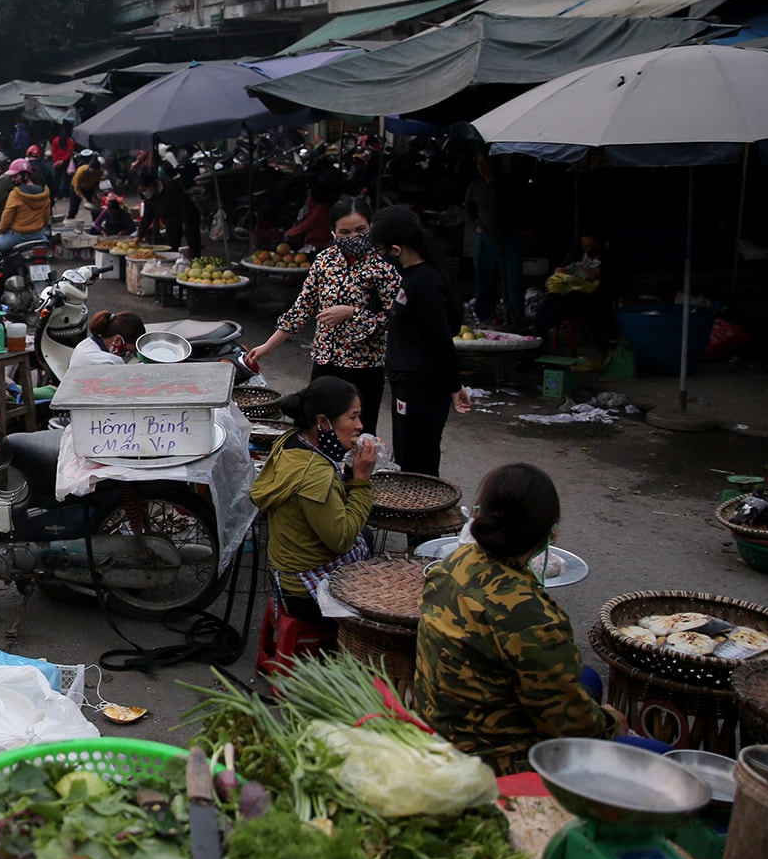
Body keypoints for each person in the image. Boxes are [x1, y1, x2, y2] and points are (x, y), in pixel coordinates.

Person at [416, 463, 619, 776]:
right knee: (653, 752)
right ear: (550, 532)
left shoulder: (454, 563)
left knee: (588, 678)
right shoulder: (530, 617)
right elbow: (573, 731)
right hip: (494, 763)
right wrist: (613, 723)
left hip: (438, 725)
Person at [242, 200, 399, 419]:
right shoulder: (325, 261)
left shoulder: (385, 266)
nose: (353, 236)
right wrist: (269, 345)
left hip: (365, 365)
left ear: (370, 227)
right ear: (334, 232)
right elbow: (303, 307)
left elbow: (395, 318)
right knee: (318, 426)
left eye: (360, 230)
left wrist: (352, 313)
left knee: (358, 430)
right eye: (345, 232)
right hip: (326, 360)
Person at [248, 377, 379, 622]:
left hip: (283, 570)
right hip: (305, 592)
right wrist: (361, 480)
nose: (360, 425)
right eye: (352, 417)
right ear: (323, 422)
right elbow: (340, 540)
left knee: (366, 536)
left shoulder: (291, 441)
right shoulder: (314, 476)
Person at [370, 204, 468, 476]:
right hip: (407, 380)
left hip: (421, 384)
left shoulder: (425, 282)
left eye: (382, 250)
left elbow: (440, 339)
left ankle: (421, 512)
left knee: (417, 459)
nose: (380, 257)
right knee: (405, 455)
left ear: (397, 250)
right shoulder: (408, 276)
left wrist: (454, 384)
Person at [464, 155, 525, 324]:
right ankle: (486, 316)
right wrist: (475, 225)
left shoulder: (508, 186)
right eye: (478, 163)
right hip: (485, 238)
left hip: (508, 238)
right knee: (484, 279)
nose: (480, 167)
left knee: (512, 279)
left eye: (485, 163)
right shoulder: (475, 187)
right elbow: (468, 208)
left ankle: (516, 316)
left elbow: (522, 207)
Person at [530, 232, 615, 343]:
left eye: (593, 247)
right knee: (551, 297)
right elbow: (565, 267)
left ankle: (538, 328)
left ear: (602, 244)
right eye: (586, 246)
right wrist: (561, 271)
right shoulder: (577, 252)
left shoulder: (612, 256)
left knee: (573, 296)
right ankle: (537, 336)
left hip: (595, 299)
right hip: (569, 291)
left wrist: (598, 275)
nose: (589, 249)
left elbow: (616, 281)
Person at [136, 172, 202, 253]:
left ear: (151, 185)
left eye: (145, 190)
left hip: (188, 217)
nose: (144, 193)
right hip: (171, 221)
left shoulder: (171, 187)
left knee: (193, 246)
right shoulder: (149, 199)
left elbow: (185, 204)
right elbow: (147, 217)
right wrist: (140, 235)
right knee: (171, 247)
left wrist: (185, 222)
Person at [0, 159, 53, 250]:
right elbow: (46, 217)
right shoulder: (44, 194)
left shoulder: (15, 194)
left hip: (15, 237)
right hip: (38, 236)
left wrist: (0, 230)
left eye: (15, 176)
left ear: (25, 175)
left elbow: (7, 218)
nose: (13, 180)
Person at [71, 309, 146, 367]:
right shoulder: (108, 362)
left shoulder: (86, 343)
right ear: (117, 340)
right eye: (130, 351)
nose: (130, 354)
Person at [70, 151, 102, 223]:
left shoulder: (99, 172)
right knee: (74, 208)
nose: (94, 172)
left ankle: (95, 223)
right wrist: (83, 198)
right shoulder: (81, 171)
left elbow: (97, 185)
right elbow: (76, 187)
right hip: (78, 188)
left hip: (90, 188)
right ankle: (70, 221)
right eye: (92, 170)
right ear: (89, 167)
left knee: (94, 208)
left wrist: (94, 195)